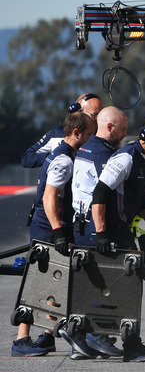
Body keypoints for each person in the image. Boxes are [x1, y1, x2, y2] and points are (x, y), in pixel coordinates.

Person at [87, 111, 145, 362]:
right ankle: (121, 342)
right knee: (126, 285)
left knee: (128, 285)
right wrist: (102, 232)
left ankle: (105, 337)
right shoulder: (125, 158)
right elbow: (100, 193)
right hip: (111, 230)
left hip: (124, 228)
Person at [12, 112, 96, 357]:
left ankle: (47, 336)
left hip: (50, 225)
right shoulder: (64, 160)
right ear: (77, 133)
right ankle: (21, 341)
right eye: (89, 134)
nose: (91, 138)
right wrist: (59, 231)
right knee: (37, 285)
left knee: (54, 283)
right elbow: (49, 197)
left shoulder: (65, 154)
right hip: (48, 228)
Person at [66, 107, 130, 360]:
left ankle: (81, 343)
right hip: (95, 225)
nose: (126, 134)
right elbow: (102, 194)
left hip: (81, 223)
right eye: (123, 129)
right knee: (105, 282)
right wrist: (103, 231)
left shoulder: (85, 147)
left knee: (89, 281)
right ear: (110, 127)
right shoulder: (103, 153)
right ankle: (95, 334)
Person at [22, 93, 103, 168]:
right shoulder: (56, 134)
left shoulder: (101, 139)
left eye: (101, 115)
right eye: (94, 115)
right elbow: (28, 158)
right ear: (77, 112)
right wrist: (55, 157)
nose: (98, 119)